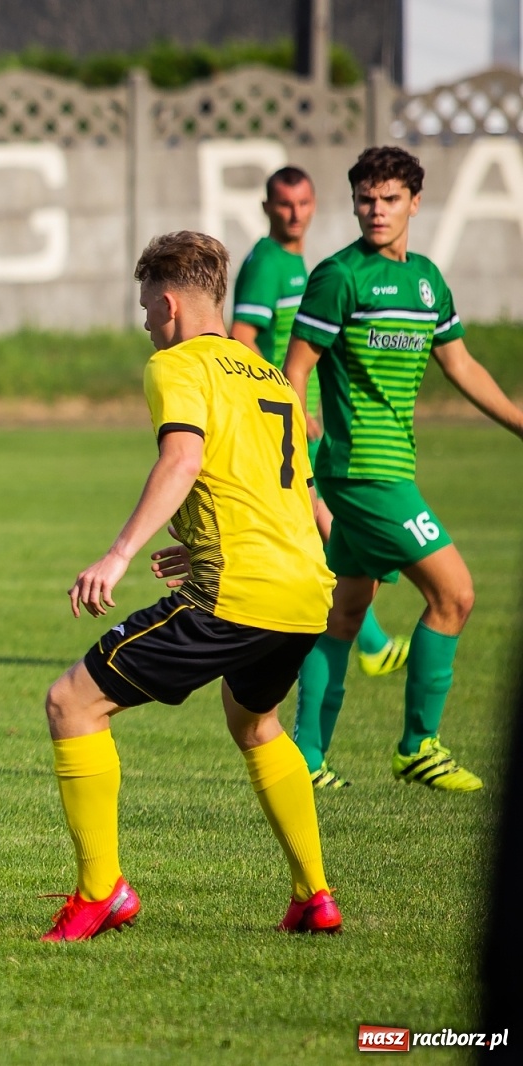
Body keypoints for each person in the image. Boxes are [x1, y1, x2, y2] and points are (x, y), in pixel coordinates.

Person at [42, 230, 339, 941]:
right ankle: (314, 895)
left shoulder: (177, 365)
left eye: (147, 312)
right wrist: (202, 544)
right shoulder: (264, 371)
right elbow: (282, 486)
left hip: (238, 594)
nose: (147, 325)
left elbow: (183, 459)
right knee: (255, 723)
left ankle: (99, 892)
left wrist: (117, 555)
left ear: (171, 306)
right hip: (302, 591)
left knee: (71, 703)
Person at [285, 146, 523, 792]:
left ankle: (306, 758)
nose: (376, 211)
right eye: (366, 199)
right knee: (455, 594)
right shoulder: (340, 276)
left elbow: (462, 366)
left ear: (415, 202)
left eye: (389, 199)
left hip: (389, 468)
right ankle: (418, 746)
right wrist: (298, 427)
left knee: (345, 612)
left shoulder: (426, 281)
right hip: (363, 472)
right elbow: (297, 365)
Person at [232, 169, 409, 788]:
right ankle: (365, 638)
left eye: (304, 203)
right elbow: (241, 339)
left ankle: (364, 636)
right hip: (280, 416)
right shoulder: (266, 265)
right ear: (267, 207)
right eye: (284, 204)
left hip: (298, 417)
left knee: (326, 522)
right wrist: (286, 395)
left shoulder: (299, 262)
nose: (295, 214)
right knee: (323, 520)